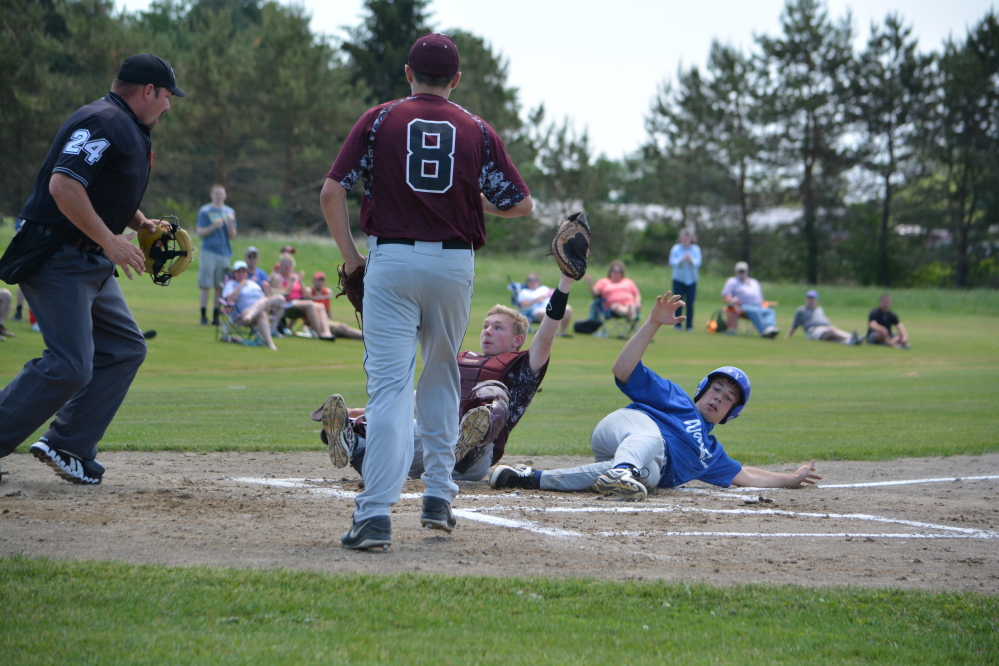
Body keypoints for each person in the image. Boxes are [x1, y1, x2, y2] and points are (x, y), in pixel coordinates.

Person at [319, 33, 533, 550]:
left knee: (391, 390)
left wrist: (352, 260)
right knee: (441, 376)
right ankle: (439, 493)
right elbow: (521, 204)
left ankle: (374, 515)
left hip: (391, 259)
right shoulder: (476, 128)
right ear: (455, 80)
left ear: (408, 73)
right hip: (454, 263)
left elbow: (332, 192)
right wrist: (465, 199)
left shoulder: (377, 119)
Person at [0, 53, 184, 485]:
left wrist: (138, 223)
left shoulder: (126, 125)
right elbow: (64, 185)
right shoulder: (103, 120)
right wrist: (109, 240)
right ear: (147, 91)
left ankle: (69, 444)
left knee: (125, 348)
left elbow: (101, 186)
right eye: (167, 96)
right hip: (58, 255)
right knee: (70, 365)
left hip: (85, 258)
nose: (169, 105)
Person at [490, 291, 822, 499]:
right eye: (716, 388)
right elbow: (622, 369)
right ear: (702, 390)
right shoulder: (675, 398)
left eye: (728, 398)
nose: (719, 397)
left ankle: (530, 478)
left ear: (729, 415)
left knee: (647, 478)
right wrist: (651, 324)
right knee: (651, 444)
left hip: (641, 463)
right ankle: (622, 470)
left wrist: (790, 480)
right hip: (624, 429)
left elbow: (746, 476)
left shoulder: (710, 453)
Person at [319, 273, 578, 486]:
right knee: (382, 424)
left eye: (498, 327)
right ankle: (352, 443)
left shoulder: (522, 369)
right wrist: (369, 414)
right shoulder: (460, 357)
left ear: (517, 340)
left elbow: (546, 334)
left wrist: (565, 282)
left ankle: (468, 443)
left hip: (474, 459)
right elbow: (422, 397)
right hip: (434, 436)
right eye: (486, 326)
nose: (488, 331)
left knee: (491, 391)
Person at [270, 254, 342, 341]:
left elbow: (307, 294)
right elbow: (282, 294)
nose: (287, 266)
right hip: (287, 304)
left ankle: (327, 332)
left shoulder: (295, 278)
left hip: (299, 302)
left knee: (320, 306)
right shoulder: (278, 278)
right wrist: (291, 284)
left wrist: (300, 281)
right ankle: (320, 333)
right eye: (285, 263)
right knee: (310, 305)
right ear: (280, 265)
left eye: (289, 263)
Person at [196, 184, 237, 325]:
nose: (219, 196)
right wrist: (214, 226)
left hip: (224, 252)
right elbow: (200, 232)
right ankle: (203, 315)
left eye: (221, 194)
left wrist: (230, 223)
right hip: (209, 251)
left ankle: (216, 316)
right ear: (212, 195)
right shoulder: (205, 211)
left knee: (220, 285)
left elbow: (232, 236)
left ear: (225, 195)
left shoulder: (230, 212)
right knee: (206, 284)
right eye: (216, 194)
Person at [221, 260, 283, 350]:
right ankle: (271, 344)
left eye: (244, 271)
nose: (241, 273)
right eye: (238, 271)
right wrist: (241, 285)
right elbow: (229, 299)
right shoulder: (231, 284)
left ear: (247, 272)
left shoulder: (253, 284)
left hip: (259, 308)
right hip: (243, 312)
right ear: (234, 273)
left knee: (278, 298)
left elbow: (265, 298)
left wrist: (267, 291)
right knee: (262, 314)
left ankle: (249, 316)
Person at [721, 261, 779, 338]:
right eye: (740, 271)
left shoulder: (754, 282)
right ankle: (764, 331)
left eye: (743, 271)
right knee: (754, 311)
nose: (741, 273)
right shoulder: (732, 281)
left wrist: (765, 304)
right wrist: (733, 301)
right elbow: (726, 296)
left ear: (747, 271)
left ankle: (770, 328)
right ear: (736, 271)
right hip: (743, 306)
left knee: (770, 311)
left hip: (758, 306)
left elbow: (760, 298)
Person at [787, 290, 861, 345]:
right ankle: (852, 338)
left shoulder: (819, 309)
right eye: (809, 298)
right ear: (806, 299)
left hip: (826, 328)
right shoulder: (801, 310)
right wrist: (788, 335)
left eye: (812, 299)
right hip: (813, 330)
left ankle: (851, 340)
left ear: (816, 300)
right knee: (830, 333)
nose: (811, 300)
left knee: (833, 331)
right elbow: (795, 325)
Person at [517, 272, 573, 337]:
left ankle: (563, 332)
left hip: (552, 307)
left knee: (568, 308)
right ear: (527, 282)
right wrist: (536, 300)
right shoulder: (524, 292)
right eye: (530, 280)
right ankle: (554, 333)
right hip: (535, 310)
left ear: (538, 281)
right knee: (544, 312)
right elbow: (522, 304)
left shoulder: (544, 289)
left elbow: (556, 295)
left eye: (535, 279)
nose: (533, 281)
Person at [668, 228, 701, 331]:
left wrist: (690, 260)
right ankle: (677, 324)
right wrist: (682, 259)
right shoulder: (676, 249)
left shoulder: (696, 249)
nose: (686, 239)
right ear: (681, 238)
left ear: (691, 238)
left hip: (691, 280)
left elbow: (698, 263)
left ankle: (689, 325)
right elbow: (672, 262)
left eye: (688, 237)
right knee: (678, 302)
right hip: (679, 279)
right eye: (684, 237)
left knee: (690, 303)